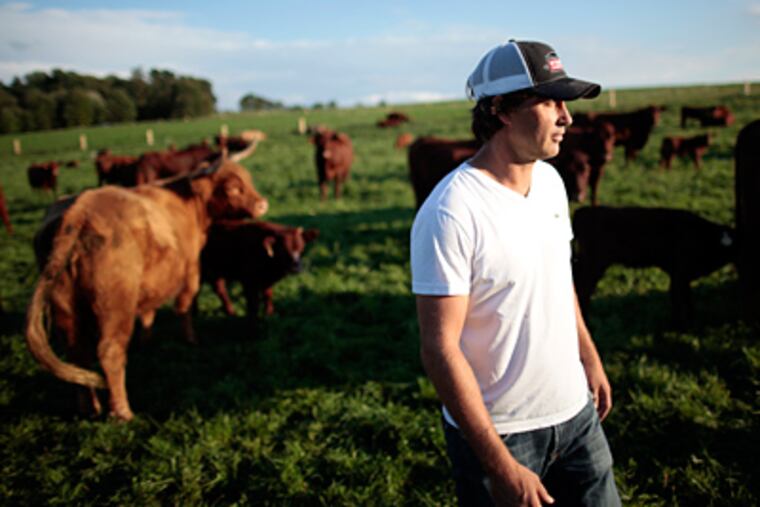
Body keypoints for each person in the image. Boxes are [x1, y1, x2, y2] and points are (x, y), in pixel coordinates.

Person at [410, 39, 621, 506]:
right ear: (502, 110)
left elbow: (557, 279)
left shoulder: (549, 181)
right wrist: (500, 464)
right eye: (549, 102)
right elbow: (439, 348)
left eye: (564, 103)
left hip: (577, 416)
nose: (566, 118)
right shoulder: (451, 212)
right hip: (502, 434)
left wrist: (588, 356)